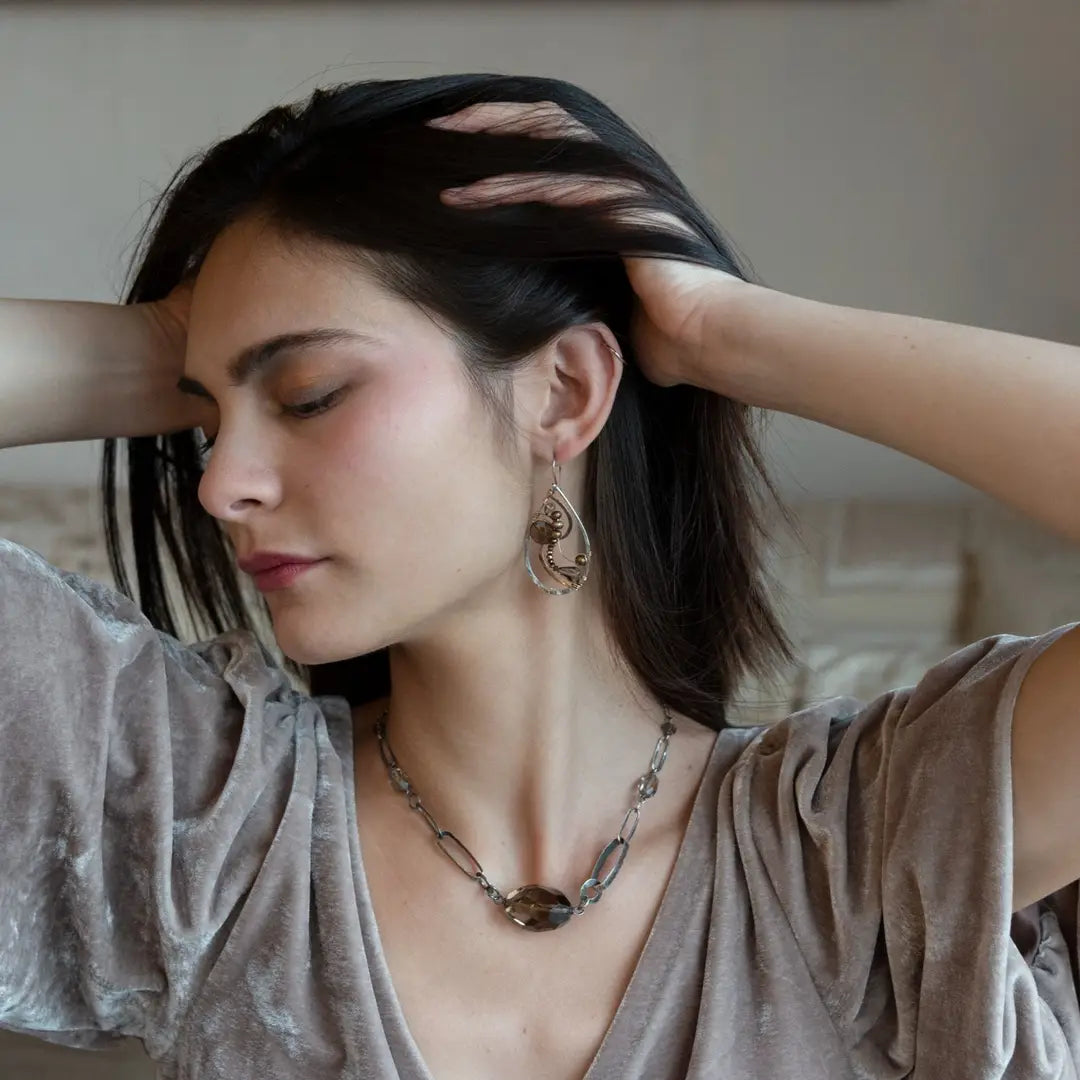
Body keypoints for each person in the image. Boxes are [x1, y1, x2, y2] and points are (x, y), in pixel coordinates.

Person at [0, 73, 1077, 1080]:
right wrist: (157, 351)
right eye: (204, 425)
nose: (220, 485)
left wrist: (727, 334)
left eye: (311, 392)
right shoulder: (196, 820)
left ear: (564, 392)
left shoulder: (857, 855)